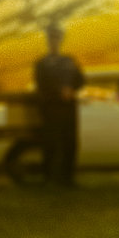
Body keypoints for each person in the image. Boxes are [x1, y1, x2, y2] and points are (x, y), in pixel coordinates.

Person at [33, 23, 86, 187]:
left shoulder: (69, 61)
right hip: (50, 109)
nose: (54, 42)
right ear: (48, 42)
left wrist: (71, 89)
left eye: (57, 38)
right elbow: (41, 85)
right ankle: (48, 178)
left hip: (69, 109)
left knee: (70, 144)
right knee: (50, 144)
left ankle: (68, 179)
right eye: (51, 39)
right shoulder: (41, 63)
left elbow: (81, 80)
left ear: (61, 41)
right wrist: (59, 91)